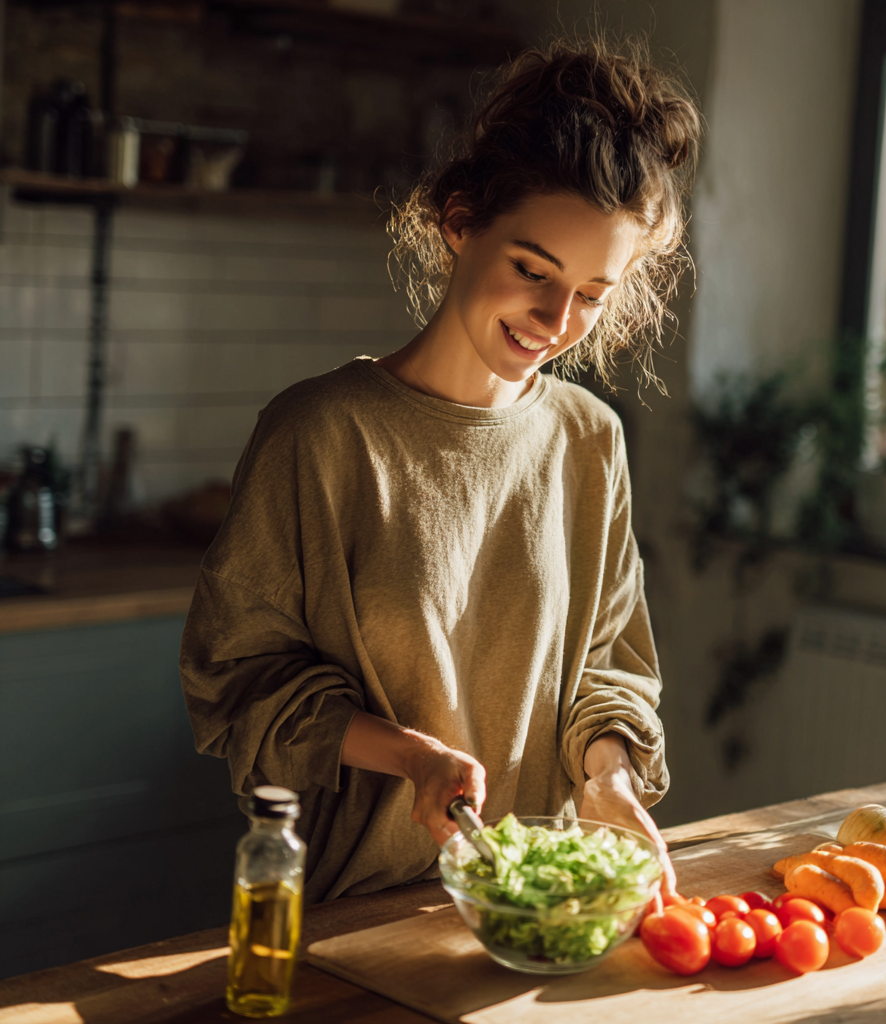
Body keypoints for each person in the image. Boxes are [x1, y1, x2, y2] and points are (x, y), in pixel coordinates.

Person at [179, 35, 701, 902]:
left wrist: (607, 779)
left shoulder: (589, 440)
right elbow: (240, 681)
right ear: (460, 224)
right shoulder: (321, 434)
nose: (554, 319)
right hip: (359, 915)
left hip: (539, 905)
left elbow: (611, 665)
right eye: (531, 270)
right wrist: (413, 758)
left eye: (592, 294)